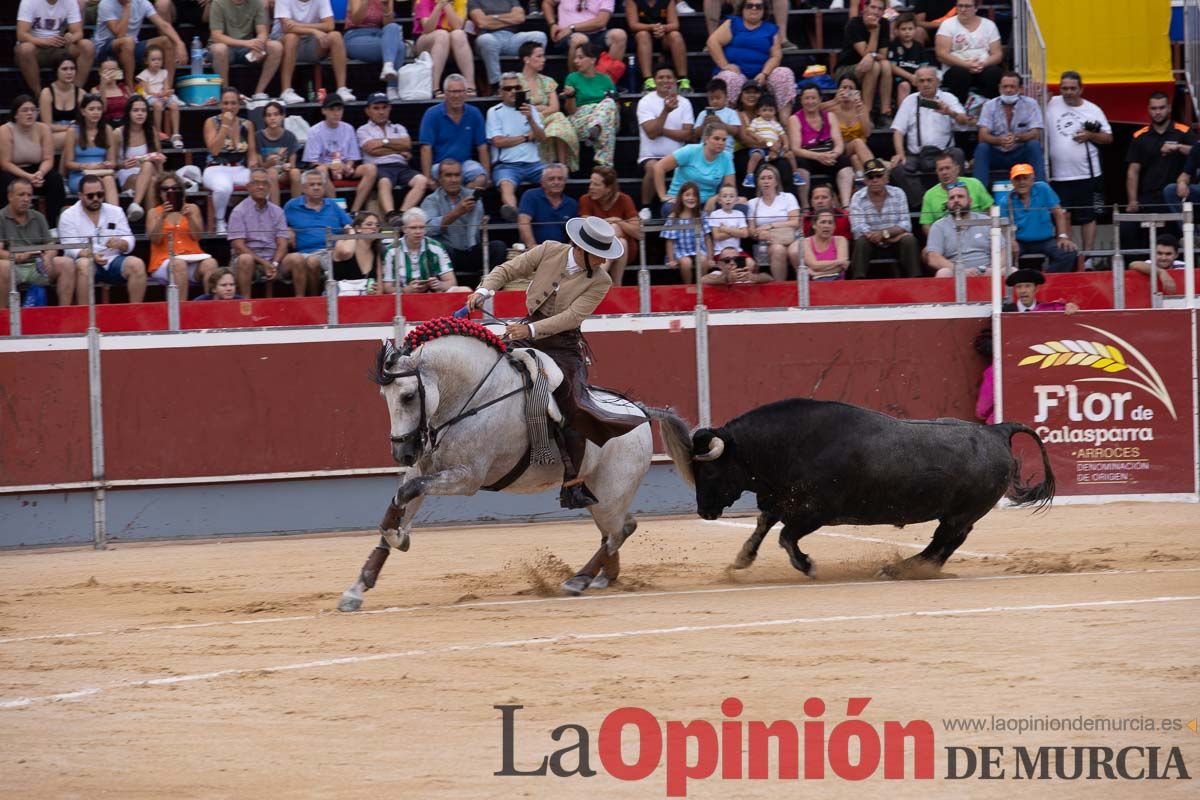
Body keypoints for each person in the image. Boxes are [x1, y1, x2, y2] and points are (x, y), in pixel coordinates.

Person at [465, 216, 644, 509]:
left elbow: (572, 317)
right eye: (599, 253)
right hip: (525, 333)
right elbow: (510, 268)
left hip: (563, 346)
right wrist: (485, 289)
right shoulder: (549, 250)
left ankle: (572, 482)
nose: (603, 260)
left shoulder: (601, 280)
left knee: (572, 404)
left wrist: (531, 330)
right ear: (580, 247)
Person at [1046, 71, 1112, 268]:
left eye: (1072, 88)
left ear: (1081, 89)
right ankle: (1067, 257)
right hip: (1059, 174)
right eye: (1064, 88)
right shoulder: (1050, 102)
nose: (1068, 92)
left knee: (1088, 217)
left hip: (1087, 173)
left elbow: (1109, 138)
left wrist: (1090, 135)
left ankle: (1088, 258)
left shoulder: (1093, 110)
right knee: (1063, 215)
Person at [58, 173, 147, 304]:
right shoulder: (68, 215)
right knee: (84, 265)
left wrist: (121, 243)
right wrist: (91, 255)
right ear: (80, 195)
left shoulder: (115, 211)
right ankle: (85, 315)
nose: (96, 199)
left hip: (113, 259)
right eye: (90, 196)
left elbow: (129, 238)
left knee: (137, 264)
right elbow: (70, 247)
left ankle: (135, 313)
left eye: (100, 195)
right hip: (87, 260)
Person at [889, 66, 970, 208]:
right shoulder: (910, 101)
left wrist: (950, 112)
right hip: (917, 154)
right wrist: (900, 154)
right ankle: (924, 203)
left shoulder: (948, 98)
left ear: (937, 82)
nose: (925, 84)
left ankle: (955, 198)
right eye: (921, 81)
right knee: (898, 167)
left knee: (958, 154)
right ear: (916, 83)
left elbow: (965, 121)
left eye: (929, 80)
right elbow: (898, 131)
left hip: (943, 152)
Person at [1125, 92, 1193, 248]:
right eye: (1154, 108)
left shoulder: (1183, 131)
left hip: (1176, 197)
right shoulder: (1139, 136)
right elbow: (1133, 170)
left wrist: (1178, 147)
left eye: (1162, 108)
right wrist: (1132, 200)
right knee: (1140, 239)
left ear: (1169, 108)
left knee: (1179, 242)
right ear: (1148, 110)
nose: (1158, 112)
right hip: (1149, 197)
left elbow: (1196, 153)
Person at [420, 158, 508, 279]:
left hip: (471, 250)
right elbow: (428, 229)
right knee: (439, 250)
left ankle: (487, 287)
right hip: (448, 254)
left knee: (498, 247)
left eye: (457, 175)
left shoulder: (472, 196)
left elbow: (475, 230)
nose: (453, 180)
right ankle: (449, 286)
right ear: (440, 179)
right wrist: (457, 212)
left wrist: (482, 220)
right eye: (448, 175)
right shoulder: (431, 200)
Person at [708, 0, 796, 118]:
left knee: (784, 73)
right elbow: (712, 42)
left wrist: (764, 74)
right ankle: (729, 122)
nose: (754, 9)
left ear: (764, 10)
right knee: (729, 77)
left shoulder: (771, 29)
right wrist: (725, 65)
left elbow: (776, 55)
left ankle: (785, 123)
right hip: (736, 73)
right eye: (749, 6)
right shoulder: (733, 23)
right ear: (742, 9)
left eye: (758, 6)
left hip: (762, 75)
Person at [0, 178, 75, 305]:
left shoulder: (38, 216)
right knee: (2, 266)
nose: (26, 199)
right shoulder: (1, 217)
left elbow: (51, 245)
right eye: (21, 195)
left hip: (38, 265)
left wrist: (48, 256)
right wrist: (17, 257)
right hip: (14, 266)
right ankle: (2, 316)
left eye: (29, 195)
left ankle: (64, 313)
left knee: (66, 263)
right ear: (10, 196)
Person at [145, 171, 218, 298]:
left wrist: (189, 218)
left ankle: (210, 307)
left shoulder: (192, 208)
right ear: (159, 192)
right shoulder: (154, 213)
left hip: (192, 257)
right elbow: (155, 240)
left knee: (211, 263)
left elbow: (197, 236)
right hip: (164, 262)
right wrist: (162, 218)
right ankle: (181, 311)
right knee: (179, 264)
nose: (170, 191)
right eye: (165, 189)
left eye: (175, 188)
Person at [358, 93, 429, 223]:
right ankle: (391, 215)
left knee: (422, 181)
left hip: (401, 167)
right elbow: (371, 149)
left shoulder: (398, 127)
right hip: (379, 167)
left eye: (384, 107)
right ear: (367, 111)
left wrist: (383, 143)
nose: (381, 112)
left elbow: (407, 144)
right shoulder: (363, 130)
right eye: (376, 108)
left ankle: (401, 215)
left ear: (389, 108)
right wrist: (397, 148)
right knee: (384, 182)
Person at [303, 94, 377, 214]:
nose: (336, 113)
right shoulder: (315, 131)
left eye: (339, 109)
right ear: (324, 111)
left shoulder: (348, 128)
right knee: (321, 170)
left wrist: (347, 166)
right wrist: (331, 166)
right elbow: (312, 162)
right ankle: (337, 210)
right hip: (325, 168)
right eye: (332, 110)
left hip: (345, 167)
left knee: (371, 168)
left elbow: (353, 157)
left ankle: (355, 211)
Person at [272, 0, 356, 106]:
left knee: (335, 36)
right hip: (284, 42)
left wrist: (298, 25)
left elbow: (330, 25)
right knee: (292, 38)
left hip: (311, 42)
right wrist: (313, 30)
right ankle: (286, 90)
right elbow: (286, 28)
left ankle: (342, 89)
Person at [0, 95, 67, 228]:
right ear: (15, 115)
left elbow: (48, 159)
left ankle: (52, 226)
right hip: (14, 170)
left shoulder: (43, 128)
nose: (30, 113)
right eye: (25, 110)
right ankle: (6, 226)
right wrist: (28, 177)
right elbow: (5, 163)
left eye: (33, 110)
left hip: (37, 170)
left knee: (55, 180)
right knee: (4, 181)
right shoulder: (5, 130)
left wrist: (40, 173)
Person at [848, 158, 921, 279]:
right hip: (872, 243)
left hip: (895, 242)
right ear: (865, 181)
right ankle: (858, 282)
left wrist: (884, 234)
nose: (875, 180)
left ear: (886, 178)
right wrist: (885, 236)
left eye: (879, 175)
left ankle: (916, 280)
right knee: (861, 242)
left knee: (909, 241)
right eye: (870, 177)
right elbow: (857, 228)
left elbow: (906, 224)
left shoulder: (898, 193)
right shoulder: (857, 197)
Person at [284, 169, 353, 296]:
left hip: (332, 252)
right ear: (303, 188)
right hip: (306, 252)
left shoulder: (332, 205)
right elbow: (279, 225)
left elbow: (348, 225)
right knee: (312, 261)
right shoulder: (292, 206)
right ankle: (313, 297)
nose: (316, 188)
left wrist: (350, 234)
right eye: (312, 184)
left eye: (319, 184)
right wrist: (287, 229)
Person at [487, 74, 546, 222]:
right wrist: (525, 137)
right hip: (507, 165)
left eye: (517, 88)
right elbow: (498, 141)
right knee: (506, 184)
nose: (513, 91)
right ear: (501, 92)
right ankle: (513, 212)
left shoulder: (530, 109)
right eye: (508, 88)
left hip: (535, 164)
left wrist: (530, 119)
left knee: (555, 176)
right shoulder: (494, 112)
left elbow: (541, 137)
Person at [1002, 163, 1077, 274]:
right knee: (1004, 256)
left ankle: (1046, 281)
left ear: (1032, 179)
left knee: (1068, 252)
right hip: (1020, 242)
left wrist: (1062, 236)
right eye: (1017, 179)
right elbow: (1002, 225)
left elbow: (1059, 213)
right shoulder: (1006, 200)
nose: (1022, 182)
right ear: (1012, 182)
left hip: (1045, 240)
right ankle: (1019, 282)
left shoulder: (1043, 188)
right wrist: (1010, 241)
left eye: (1025, 178)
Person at [637, 64, 694, 210]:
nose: (665, 80)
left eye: (669, 77)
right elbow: (651, 134)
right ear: (655, 81)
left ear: (675, 80)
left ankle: (684, 208)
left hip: (677, 155)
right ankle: (646, 207)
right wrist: (666, 111)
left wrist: (662, 130)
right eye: (661, 77)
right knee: (653, 168)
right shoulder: (645, 102)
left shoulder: (685, 103)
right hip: (651, 155)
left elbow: (687, 134)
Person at [973, 71, 1045, 186]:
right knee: (982, 148)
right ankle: (979, 193)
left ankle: (1041, 189)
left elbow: (1035, 133)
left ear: (1021, 89)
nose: (1008, 90)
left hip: (1019, 153)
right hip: (997, 153)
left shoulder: (1031, 104)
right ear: (999, 88)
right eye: (1005, 87)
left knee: (1034, 145)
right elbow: (982, 135)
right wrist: (1000, 141)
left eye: (1012, 87)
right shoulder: (989, 105)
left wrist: (1016, 138)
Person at [228, 166, 291, 296]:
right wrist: (265, 264)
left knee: (297, 259)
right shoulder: (239, 211)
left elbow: (283, 243)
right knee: (245, 259)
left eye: (264, 184)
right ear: (248, 186)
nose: (260, 187)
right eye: (256, 183)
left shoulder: (278, 211)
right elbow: (238, 246)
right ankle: (245, 303)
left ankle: (302, 303)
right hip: (250, 258)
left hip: (274, 258)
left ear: (269, 187)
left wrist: (274, 263)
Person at [93, 0, 186, 89]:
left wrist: (179, 43)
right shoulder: (105, 4)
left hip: (131, 45)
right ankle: (129, 87)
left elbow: (163, 24)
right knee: (127, 41)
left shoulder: (142, 3)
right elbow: (119, 34)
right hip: (105, 47)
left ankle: (167, 89)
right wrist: (127, 7)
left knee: (166, 41)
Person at [419, 74, 490, 188]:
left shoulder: (474, 113)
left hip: (465, 163)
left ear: (466, 93)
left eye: (460, 91)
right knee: (448, 176)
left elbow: (482, 147)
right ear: (445, 93)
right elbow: (426, 148)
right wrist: (427, 178)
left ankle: (463, 201)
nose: (456, 95)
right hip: (441, 164)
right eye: (452, 91)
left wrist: (488, 176)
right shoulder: (432, 114)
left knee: (481, 178)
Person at [788, 84, 853, 208]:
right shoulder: (794, 119)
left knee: (844, 161)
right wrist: (818, 156)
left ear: (820, 100)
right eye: (807, 98)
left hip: (829, 156)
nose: (810, 101)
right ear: (801, 100)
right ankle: (805, 207)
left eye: (813, 98)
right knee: (800, 164)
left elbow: (839, 144)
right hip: (809, 156)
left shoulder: (830, 116)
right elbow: (796, 149)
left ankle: (846, 205)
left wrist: (833, 154)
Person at [208, 0, 284, 106]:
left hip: (246, 49)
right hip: (226, 47)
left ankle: (259, 93)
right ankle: (226, 94)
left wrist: (259, 45)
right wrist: (246, 43)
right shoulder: (218, 3)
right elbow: (217, 36)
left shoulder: (256, 3)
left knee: (276, 47)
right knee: (220, 49)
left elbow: (262, 32)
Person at [202, 87, 256, 235]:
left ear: (239, 104)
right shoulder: (211, 122)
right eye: (226, 103)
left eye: (233, 103)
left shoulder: (247, 124)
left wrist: (254, 167)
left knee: (262, 182)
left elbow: (251, 152)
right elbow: (214, 150)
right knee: (224, 188)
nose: (229, 107)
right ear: (221, 104)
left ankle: (256, 221)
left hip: (239, 168)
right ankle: (220, 221)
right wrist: (225, 125)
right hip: (216, 167)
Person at [925, 182, 1007, 278]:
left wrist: (992, 270)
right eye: (952, 198)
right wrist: (960, 271)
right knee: (943, 273)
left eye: (960, 196)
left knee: (1012, 271)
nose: (956, 200)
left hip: (987, 272)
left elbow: (1003, 250)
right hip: (955, 273)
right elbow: (933, 258)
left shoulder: (986, 221)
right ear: (947, 204)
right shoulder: (939, 226)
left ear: (970, 201)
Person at [517, 41, 577, 169]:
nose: (543, 60)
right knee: (556, 119)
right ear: (527, 59)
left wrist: (537, 110)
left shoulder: (547, 81)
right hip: (526, 120)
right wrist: (540, 109)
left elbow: (555, 107)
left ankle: (562, 167)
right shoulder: (516, 81)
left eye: (543, 56)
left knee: (559, 119)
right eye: (538, 56)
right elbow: (519, 107)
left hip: (547, 119)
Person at [653, 122, 736, 213]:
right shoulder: (690, 151)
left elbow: (730, 188)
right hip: (681, 200)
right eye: (716, 138)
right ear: (706, 139)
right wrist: (662, 196)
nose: (721, 143)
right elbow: (659, 167)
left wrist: (714, 198)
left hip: (708, 202)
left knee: (739, 207)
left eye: (724, 140)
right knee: (668, 209)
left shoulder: (726, 157)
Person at [17, 0, 95, 95]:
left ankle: (75, 93)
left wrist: (71, 38)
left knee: (87, 46)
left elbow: (78, 32)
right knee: (25, 48)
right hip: (36, 47)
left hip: (59, 46)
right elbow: (21, 34)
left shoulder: (69, 2)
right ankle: (39, 95)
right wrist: (44, 41)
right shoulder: (29, 2)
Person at [562, 44, 620, 170]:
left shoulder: (605, 79)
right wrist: (571, 95)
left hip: (605, 116)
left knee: (609, 104)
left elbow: (616, 106)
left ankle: (596, 128)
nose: (576, 61)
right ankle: (604, 165)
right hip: (581, 120)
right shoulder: (572, 78)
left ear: (593, 59)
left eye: (580, 57)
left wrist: (599, 112)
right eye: (575, 58)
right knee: (605, 121)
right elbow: (571, 111)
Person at [578, 165, 638, 286]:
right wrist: (605, 225)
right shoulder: (586, 199)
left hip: (623, 253)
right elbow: (584, 228)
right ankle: (616, 285)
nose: (591, 188)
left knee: (616, 229)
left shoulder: (624, 199)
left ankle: (593, 279)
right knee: (621, 242)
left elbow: (637, 232)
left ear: (609, 188)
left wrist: (618, 221)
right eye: (591, 183)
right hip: (593, 249)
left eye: (596, 185)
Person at [934, 0, 1003, 103]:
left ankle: (990, 110)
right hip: (956, 68)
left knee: (994, 73)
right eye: (960, 6)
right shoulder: (947, 25)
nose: (963, 9)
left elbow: (997, 54)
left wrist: (983, 64)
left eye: (967, 6)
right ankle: (959, 112)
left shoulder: (989, 25)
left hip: (982, 67)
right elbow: (941, 54)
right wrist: (966, 65)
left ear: (976, 8)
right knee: (960, 73)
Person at [836, 0, 893, 124]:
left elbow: (883, 55)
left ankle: (885, 112)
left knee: (886, 65)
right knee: (874, 66)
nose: (876, 12)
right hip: (847, 70)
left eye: (879, 9)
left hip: (870, 66)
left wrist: (872, 54)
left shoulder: (884, 23)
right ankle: (866, 113)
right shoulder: (854, 23)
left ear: (883, 11)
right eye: (873, 7)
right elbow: (865, 55)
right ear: (865, 8)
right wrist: (874, 31)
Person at [470, 0, 546, 93]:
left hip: (512, 37)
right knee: (486, 40)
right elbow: (482, 23)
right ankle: (496, 84)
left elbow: (520, 18)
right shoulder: (475, 1)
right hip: (489, 38)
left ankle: (526, 80)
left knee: (539, 36)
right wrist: (509, 18)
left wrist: (493, 18)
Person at [383, 207, 463, 294]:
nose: (418, 231)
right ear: (404, 229)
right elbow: (387, 288)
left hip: (430, 295)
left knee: (464, 290)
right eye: (413, 228)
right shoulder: (392, 251)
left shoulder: (436, 247)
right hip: (403, 298)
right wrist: (406, 290)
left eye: (421, 227)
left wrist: (439, 284)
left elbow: (452, 282)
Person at [115, 94, 166, 223]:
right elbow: (111, 163)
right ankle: (152, 223)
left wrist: (160, 163)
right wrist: (123, 165)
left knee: (152, 177)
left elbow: (158, 162)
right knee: (150, 174)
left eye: (143, 111)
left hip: (148, 174)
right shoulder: (118, 133)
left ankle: (137, 207)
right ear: (128, 112)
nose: (140, 114)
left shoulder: (151, 131)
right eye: (136, 110)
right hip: (128, 175)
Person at [60, 94, 119, 204]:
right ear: (83, 112)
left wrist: (106, 164)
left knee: (108, 179)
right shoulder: (73, 131)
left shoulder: (107, 130)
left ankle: (115, 218)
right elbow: (68, 163)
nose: (96, 112)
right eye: (91, 109)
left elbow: (113, 162)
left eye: (99, 109)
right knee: (99, 183)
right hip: (80, 175)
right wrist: (86, 166)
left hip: (101, 172)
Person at [344, 0, 407, 101]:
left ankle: (388, 66)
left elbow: (388, 24)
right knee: (399, 47)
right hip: (356, 35)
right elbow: (356, 20)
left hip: (379, 35)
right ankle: (392, 87)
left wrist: (386, 7)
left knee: (394, 28)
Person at [746, 163, 800, 281]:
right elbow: (751, 230)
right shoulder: (752, 203)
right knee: (778, 250)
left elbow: (795, 222)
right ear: (758, 182)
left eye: (770, 178)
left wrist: (771, 225)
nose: (766, 181)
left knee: (795, 251)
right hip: (769, 241)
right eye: (762, 178)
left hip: (791, 237)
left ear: (776, 182)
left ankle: (805, 286)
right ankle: (780, 287)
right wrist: (758, 235)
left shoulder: (788, 197)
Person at [918, 150, 991, 235]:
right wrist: (937, 239)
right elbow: (926, 225)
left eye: (948, 168)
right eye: (941, 169)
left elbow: (990, 209)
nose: (944, 172)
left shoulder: (975, 184)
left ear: (957, 169)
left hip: (977, 233)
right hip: (945, 235)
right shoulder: (929, 195)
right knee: (927, 249)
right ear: (936, 173)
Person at [413, 0, 477, 96]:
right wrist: (439, 6)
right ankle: (434, 88)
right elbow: (427, 28)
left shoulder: (460, 2)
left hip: (451, 42)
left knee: (459, 34)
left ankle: (470, 86)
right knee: (442, 35)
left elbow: (458, 26)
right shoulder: (423, 1)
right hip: (426, 40)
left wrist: (446, 5)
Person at [544, 0, 627, 69]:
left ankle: (605, 82)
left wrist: (572, 28)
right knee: (580, 39)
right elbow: (547, 3)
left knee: (619, 35)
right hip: (568, 36)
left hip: (596, 34)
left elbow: (601, 22)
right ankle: (575, 84)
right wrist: (552, 24)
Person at [626, 0, 687, 92]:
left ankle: (683, 80)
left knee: (675, 35)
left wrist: (662, 28)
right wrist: (652, 27)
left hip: (663, 36)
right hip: (643, 37)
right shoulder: (632, 1)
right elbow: (633, 25)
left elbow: (675, 24)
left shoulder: (669, 1)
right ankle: (648, 80)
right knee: (643, 35)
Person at [744, 97, 800, 190]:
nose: (767, 113)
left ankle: (795, 174)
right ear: (758, 111)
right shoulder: (756, 121)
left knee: (790, 154)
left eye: (771, 110)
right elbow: (749, 132)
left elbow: (783, 135)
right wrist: (757, 137)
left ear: (775, 112)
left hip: (775, 148)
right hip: (761, 147)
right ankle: (749, 176)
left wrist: (786, 144)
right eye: (764, 110)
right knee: (755, 156)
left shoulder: (776, 124)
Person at [518, 162, 577, 248]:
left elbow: (575, 231)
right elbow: (523, 222)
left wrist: (568, 250)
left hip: (561, 252)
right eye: (551, 179)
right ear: (542, 182)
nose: (556, 182)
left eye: (560, 179)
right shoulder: (530, 195)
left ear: (565, 181)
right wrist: (532, 246)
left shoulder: (572, 203)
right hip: (534, 249)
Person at [135, 44, 183, 148]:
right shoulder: (144, 74)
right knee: (158, 105)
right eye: (153, 59)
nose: (157, 62)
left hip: (162, 95)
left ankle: (175, 134)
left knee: (174, 105)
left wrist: (167, 93)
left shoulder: (164, 72)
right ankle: (157, 131)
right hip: (150, 97)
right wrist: (161, 94)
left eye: (159, 59)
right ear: (147, 61)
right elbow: (147, 91)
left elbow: (166, 86)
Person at [255, 101, 303, 205]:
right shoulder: (258, 136)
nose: (272, 118)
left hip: (283, 174)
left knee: (295, 172)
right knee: (272, 172)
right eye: (269, 115)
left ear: (282, 116)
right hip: (266, 174)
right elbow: (259, 166)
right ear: (264, 118)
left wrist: (287, 167)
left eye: (276, 114)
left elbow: (292, 164)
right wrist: (269, 164)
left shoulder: (290, 136)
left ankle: (296, 209)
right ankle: (276, 213)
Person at [826, 76, 874, 175]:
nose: (846, 91)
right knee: (857, 142)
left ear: (856, 92)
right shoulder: (831, 108)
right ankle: (875, 170)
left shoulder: (861, 107)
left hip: (860, 149)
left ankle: (863, 182)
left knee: (855, 158)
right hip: (840, 148)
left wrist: (860, 112)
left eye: (851, 88)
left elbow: (867, 133)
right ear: (838, 89)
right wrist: (834, 101)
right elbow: (814, 109)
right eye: (843, 87)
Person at [661, 181, 709, 283]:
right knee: (686, 262)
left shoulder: (701, 216)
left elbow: (707, 237)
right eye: (687, 195)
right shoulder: (674, 218)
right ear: (681, 197)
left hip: (698, 249)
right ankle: (689, 286)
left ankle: (701, 284)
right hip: (680, 251)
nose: (691, 198)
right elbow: (670, 241)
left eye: (694, 195)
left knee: (704, 260)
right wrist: (671, 259)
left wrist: (711, 257)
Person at [331, 210, 386, 293]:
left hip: (365, 300)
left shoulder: (376, 251)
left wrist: (377, 290)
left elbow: (380, 288)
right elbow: (347, 252)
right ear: (358, 228)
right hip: (339, 298)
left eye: (377, 225)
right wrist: (352, 233)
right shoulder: (342, 243)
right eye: (369, 224)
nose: (374, 228)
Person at [40, 58, 87, 152]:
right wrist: (67, 128)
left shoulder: (81, 93)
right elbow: (47, 125)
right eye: (64, 69)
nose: (69, 72)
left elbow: (85, 121)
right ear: (56, 71)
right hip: (54, 134)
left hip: (76, 132)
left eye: (72, 69)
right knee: (71, 137)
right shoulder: (47, 93)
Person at [888, 11, 930, 108]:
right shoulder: (894, 45)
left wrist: (918, 77)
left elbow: (924, 65)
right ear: (897, 31)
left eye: (910, 29)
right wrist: (910, 76)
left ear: (915, 30)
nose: (907, 32)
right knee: (904, 85)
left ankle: (923, 116)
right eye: (903, 29)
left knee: (926, 84)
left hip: (916, 79)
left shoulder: (919, 46)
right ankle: (902, 117)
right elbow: (892, 67)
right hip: (899, 79)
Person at [693, 79, 741, 156]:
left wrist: (720, 122)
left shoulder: (731, 113)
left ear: (726, 97)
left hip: (725, 151)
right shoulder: (703, 114)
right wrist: (704, 124)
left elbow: (735, 131)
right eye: (711, 99)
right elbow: (696, 134)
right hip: (705, 151)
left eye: (718, 98)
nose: (715, 101)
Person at [1002, 267, 1078, 314]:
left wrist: (1072, 309)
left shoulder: (1047, 309)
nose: (1023, 291)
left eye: (1028, 286)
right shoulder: (1005, 311)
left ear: (1036, 289)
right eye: (1019, 287)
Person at [801, 208, 849, 280]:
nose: (827, 226)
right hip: (814, 286)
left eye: (830, 223)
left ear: (834, 226)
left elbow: (841, 267)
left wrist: (817, 274)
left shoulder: (841, 240)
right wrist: (838, 262)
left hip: (837, 282)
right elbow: (814, 265)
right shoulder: (805, 242)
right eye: (823, 222)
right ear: (814, 225)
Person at [90, 57, 131, 123]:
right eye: (106, 70)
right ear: (100, 72)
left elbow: (131, 109)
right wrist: (102, 86)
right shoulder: (95, 90)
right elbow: (103, 110)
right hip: (106, 124)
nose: (110, 73)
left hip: (124, 124)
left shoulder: (125, 88)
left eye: (113, 70)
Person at [702, 246, 769, 285]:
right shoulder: (717, 274)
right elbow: (702, 280)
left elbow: (768, 277)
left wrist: (754, 277)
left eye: (736, 259)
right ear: (719, 264)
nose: (732, 263)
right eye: (727, 260)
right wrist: (726, 278)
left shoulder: (745, 274)